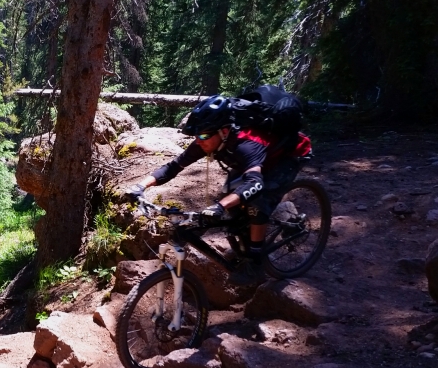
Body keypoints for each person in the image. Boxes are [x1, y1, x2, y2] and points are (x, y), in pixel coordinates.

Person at [125, 93, 312, 286]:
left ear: (223, 131)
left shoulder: (245, 145)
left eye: (204, 135)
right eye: (197, 136)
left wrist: (220, 206)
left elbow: (256, 184)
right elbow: (173, 166)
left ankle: (255, 262)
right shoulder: (207, 139)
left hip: (286, 157)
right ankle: (244, 243)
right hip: (249, 164)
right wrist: (140, 186)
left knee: (258, 203)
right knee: (232, 198)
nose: (199, 141)